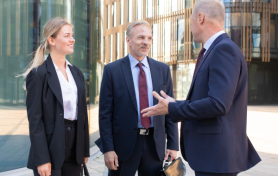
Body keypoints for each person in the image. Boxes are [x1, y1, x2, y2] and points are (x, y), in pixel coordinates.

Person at [141, 0, 261, 176]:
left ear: (200, 18)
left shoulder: (223, 50)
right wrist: (175, 103)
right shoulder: (216, 50)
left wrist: (172, 108)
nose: (189, 28)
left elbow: (218, 104)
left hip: (216, 158)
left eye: (190, 22)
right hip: (213, 158)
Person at [98, 20, 179, 176]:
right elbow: (105, 114)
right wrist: (108, 149)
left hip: (155, 144)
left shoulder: (163, 70)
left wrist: (173, 144)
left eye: (149, 38)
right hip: (123, 146)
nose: (146, 42)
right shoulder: (112, 70)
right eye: (141, 37)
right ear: (128, 40)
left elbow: (170, 109)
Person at [23, 17, 90, 176]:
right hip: (50, 147)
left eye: (72, 35)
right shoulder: (38, 74)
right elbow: (35, 120)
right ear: (52, 40)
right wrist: (41, 159)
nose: (72, 39)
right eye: (67, 36)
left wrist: (84, 149)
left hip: (75, 148)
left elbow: (82, 115)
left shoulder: (76, 73)